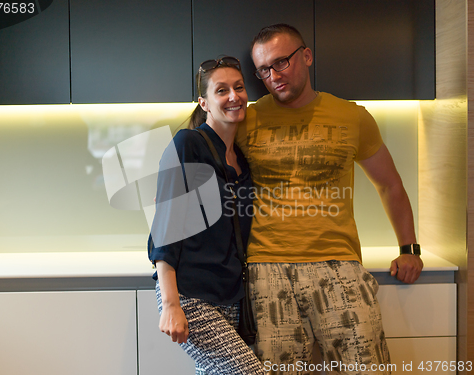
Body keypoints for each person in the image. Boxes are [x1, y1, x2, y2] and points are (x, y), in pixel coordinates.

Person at [234, 24, 424, 374]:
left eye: (281, 62)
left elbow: (390, 185)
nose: (273, 75)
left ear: (306, 56)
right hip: (265, 265)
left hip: (338, 263)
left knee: (367, 367)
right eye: (263, 69)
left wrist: (409, 249)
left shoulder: (352, 117)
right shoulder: (247, 119)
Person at [148, 56, 264, 375]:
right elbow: (166, 224)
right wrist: (171, 303)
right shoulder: (189, 144)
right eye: (221, 90)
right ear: (205, 102)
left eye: (239, 88)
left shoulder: (240, 159)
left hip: (228, 293)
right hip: (190, 292)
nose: (233, 96)